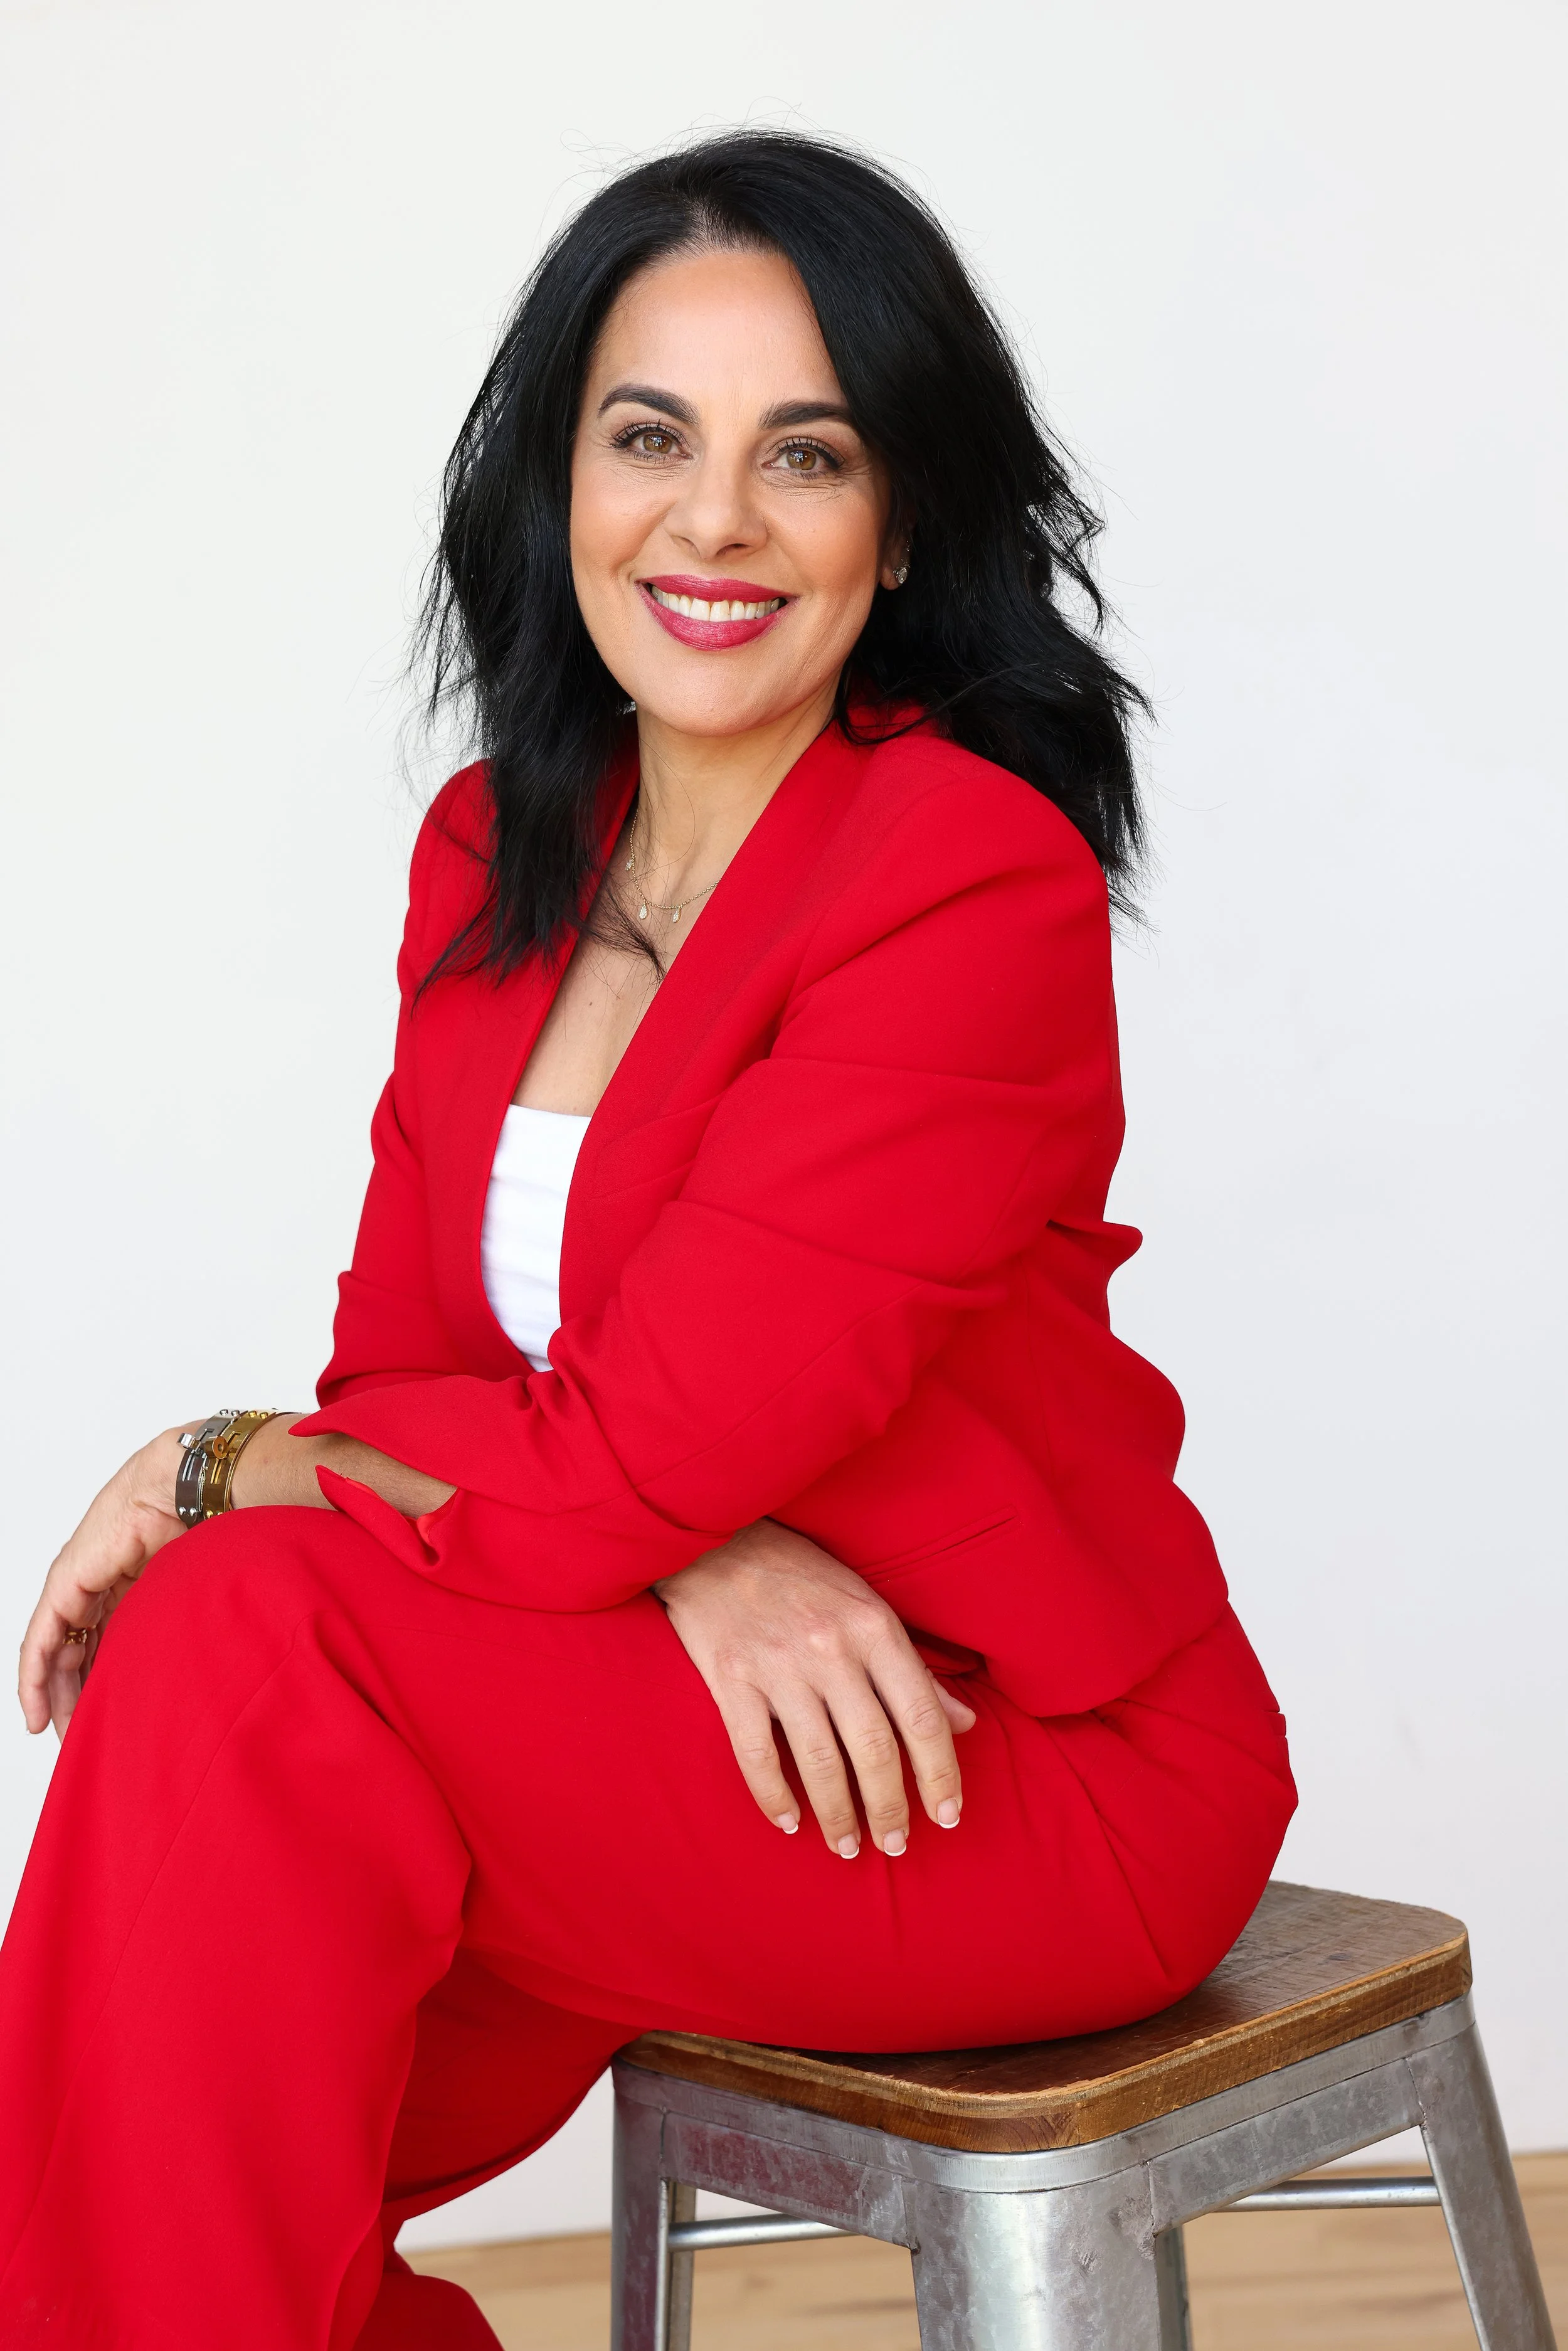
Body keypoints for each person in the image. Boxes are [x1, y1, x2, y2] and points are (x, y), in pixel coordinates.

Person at [0, 132, 1295, 2348]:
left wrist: (226, 1456)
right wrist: (692, 1545)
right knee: (226, 1810)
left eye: (804, 453)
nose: (711, 519)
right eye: (647, 438)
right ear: (560, 488)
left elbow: (559, 1445)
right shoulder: (494, 850)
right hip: (699, 1681)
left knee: (237, 1637)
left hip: (995, 1757)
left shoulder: (959, 880)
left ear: (897, 533)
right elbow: (421, 1373)